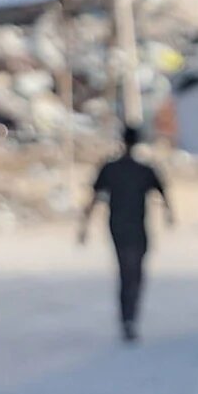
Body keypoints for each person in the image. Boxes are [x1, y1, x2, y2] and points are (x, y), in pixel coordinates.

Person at [78, 127, 174, 343]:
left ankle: (127, 318)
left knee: (125, 274)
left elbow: (93, 198)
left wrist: (84, 226)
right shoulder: (144, 169)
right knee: (135, 275)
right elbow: (163, 192)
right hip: (136, 229)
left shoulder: (111, 168)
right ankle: (130, 317)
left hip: (118, 228)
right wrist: (169, 214)